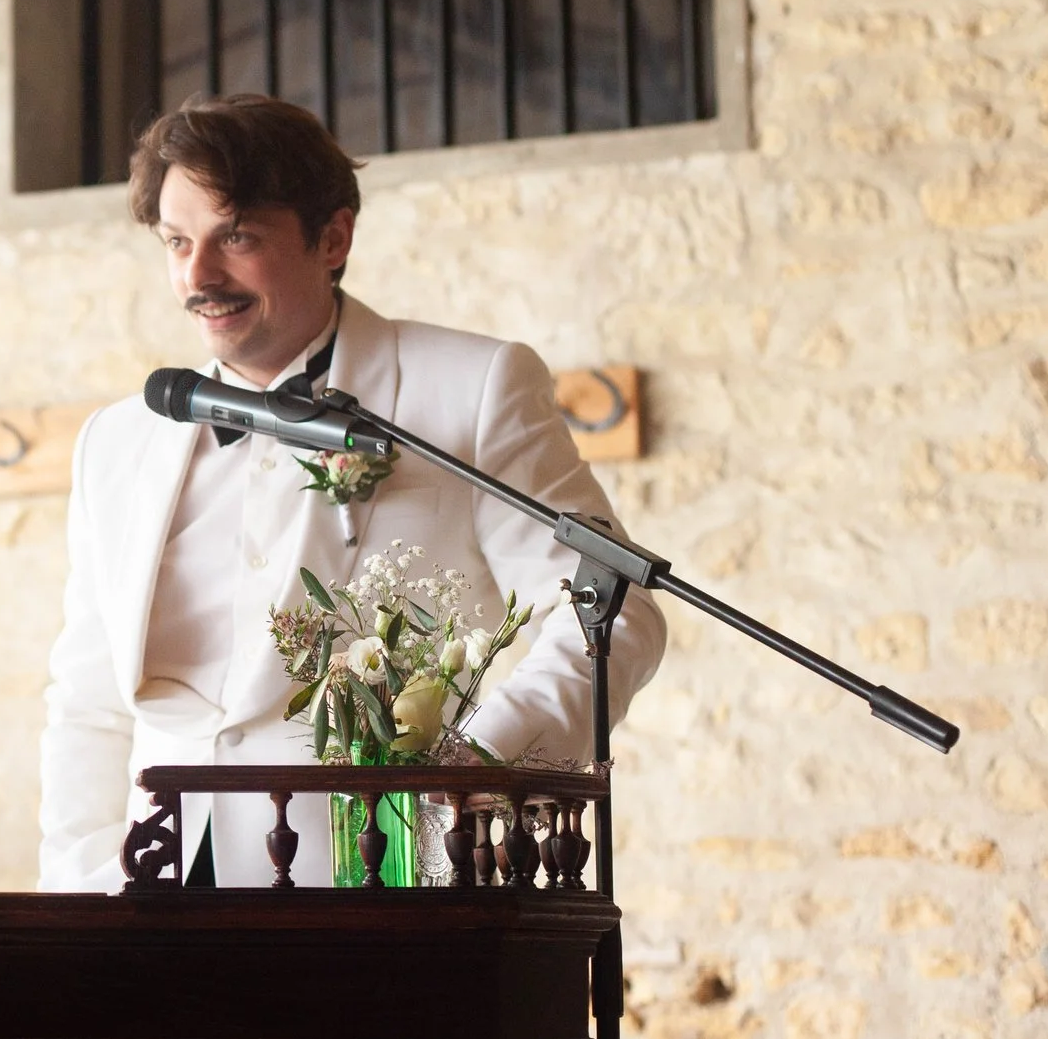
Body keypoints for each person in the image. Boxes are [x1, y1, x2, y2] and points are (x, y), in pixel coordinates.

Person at [38, 95, 665, 891]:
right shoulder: (116, 440)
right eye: (177, 241)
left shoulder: (472, 388)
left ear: (333, 237)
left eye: (236, 236)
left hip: (382, 884)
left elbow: (614, 614)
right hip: (147, 894)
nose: (198, 275)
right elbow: (88, 698)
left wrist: (473, 767)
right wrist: (74, 889)